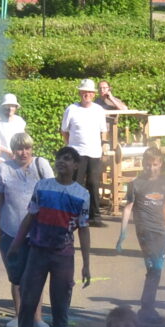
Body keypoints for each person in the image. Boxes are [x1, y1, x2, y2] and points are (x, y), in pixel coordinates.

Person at [5, 148, 91, 327]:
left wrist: (87, 265)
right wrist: (15, 245)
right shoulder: (43, 186)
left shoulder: (82, 194)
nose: (62, 161)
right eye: (60, 157)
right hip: (37, 253)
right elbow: (30, 217)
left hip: (63, 256)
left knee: (60, 309)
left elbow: (83, 230)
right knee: (27, 303)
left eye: (68, 159)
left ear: (76, 166)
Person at [0, 131, 52, 317]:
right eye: (19, 149)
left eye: (27, 148)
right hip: (10, 229)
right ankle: (19, 317)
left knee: (36, 276)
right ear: (12, 150)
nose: (23, 152)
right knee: (17, 278)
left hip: (37, 231)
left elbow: (51, 195)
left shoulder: (41, 165)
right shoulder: (3, 169)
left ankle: (37, 318)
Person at [116, 144, 165, 321]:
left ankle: (147, 308)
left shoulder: (164, 183)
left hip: (160, 231)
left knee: (156, 270)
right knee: (153, 268)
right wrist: (122, 234)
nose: (151, 168)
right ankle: (147, 308)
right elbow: (128, 208)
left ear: (160, 164)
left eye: (155, 164)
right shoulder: (135, 184)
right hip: (145, 230)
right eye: (148, 164)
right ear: (143, 164)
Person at [60, 80, 124, 227]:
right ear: (79, 93)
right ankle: (73, 216)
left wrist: (104, 146)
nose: (86, 94)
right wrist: (70, 147)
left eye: (89, 92)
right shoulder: (71, 109)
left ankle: (95, 216)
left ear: (93, 94)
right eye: (83, 92)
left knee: (94, 184)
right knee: (76, 183)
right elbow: (64, 131)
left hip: (94, 152)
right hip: (77, 153)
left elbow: (103, 132)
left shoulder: (98, 110)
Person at [0, 93, 28, 163]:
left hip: (18, 161)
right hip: (2, 161)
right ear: (3, 107)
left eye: (13, 106)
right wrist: (7, 154)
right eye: (7, 106)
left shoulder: (20, 121)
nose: (10, 109)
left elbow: (23, 141)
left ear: (16, 107)